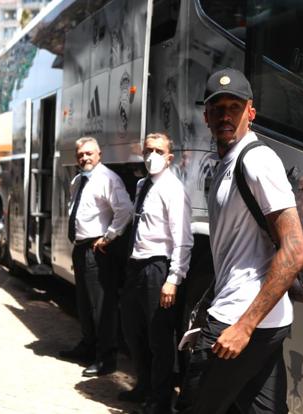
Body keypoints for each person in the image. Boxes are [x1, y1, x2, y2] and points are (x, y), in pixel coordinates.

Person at [178, 68, 303, 413]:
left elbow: (295, 251)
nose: (225, 115)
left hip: (239, 322)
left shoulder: (257, 160)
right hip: (263, 321)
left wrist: (244, 327)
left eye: (234, 107)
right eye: (217, 108)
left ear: (250, 112)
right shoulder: (227, 162)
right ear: (205, 116)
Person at [120, 133, 193, 413]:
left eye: (158, 151)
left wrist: (173, 279)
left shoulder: (174, 189)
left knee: (159, 337)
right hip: (136, 266)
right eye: (148, 150)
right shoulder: (142, 185)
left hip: (157, 268)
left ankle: (160, 399)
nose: (152, 155)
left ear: (169, 157)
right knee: (132, 329)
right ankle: (143, 386)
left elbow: (183, 239)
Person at [59, 136, 133, 377]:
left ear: (99, 154)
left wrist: (109, 237)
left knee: (102, 306)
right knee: (83, 301)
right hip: (81, 248)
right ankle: (87, 346)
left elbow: (125, 210)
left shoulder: (108, 179)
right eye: (81, 154)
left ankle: (106, 358)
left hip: (98, 250)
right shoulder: (78, 180)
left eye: (89, 153)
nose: (85, 158)